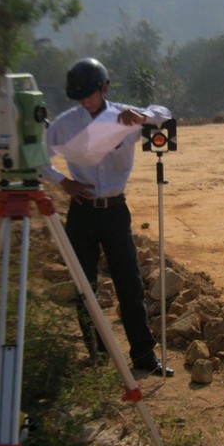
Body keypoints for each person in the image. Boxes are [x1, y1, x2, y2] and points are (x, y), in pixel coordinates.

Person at [41, 57, 174, 377]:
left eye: (90, 94)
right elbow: (39, 159)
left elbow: (164, 114)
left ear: (104, 88)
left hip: (115, 211)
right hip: (82, 213)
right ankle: (99, 357)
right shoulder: (65, 123)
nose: (85, 101)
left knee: (129, 285)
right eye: (80, 97)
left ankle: (144, 356)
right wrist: (64, 183)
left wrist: (141, 116)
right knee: (85, 286)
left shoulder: (123, 116)